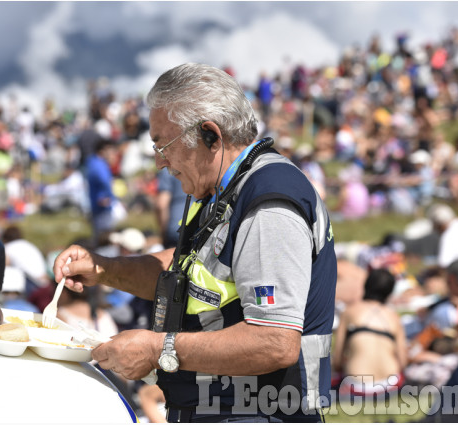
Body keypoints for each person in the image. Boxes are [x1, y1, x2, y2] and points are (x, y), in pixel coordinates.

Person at [54, 63, 337, 422]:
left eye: (164, 145)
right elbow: (186, 271)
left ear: (210, 135)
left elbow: (274, 341)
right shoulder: (226, 191)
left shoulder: (268, 204)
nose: (160, 162)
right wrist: (104, 269)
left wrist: (158, 349)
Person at [332, 268, 407, 396]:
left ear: (366, 285)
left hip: (356, 385)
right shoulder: (394, 317)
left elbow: (337, 361)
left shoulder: (349, 312)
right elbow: (403, 363)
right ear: (390, 291)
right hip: (390, 384)